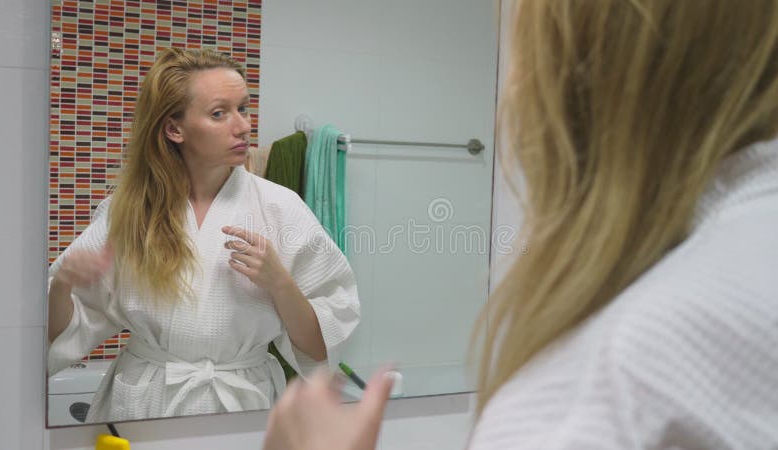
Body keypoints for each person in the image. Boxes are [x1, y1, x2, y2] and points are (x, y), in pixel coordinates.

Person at [262, 1, 778, 449]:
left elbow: (327, 318)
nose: (513, 82)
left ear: (582, 71)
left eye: (523, 48)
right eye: (219, 112)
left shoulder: (621, 364)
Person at [47, 47, 360, 422]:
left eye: (243, 108)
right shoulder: (127, 212)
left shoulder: (281, 208)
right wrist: (61, 287)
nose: (243, 126)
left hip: (245, 405)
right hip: (146, 403)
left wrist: (280, 283)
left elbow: (320, 349)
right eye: (219, 113)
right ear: (174, 128)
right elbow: (57, 332)